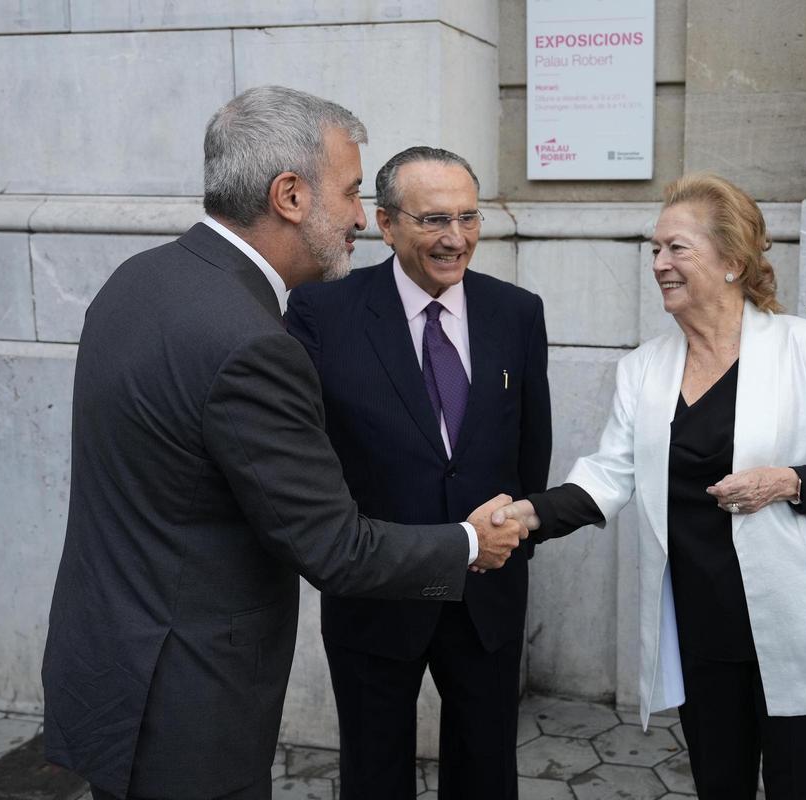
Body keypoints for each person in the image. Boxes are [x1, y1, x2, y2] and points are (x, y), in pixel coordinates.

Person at [40, 87, 527, 800]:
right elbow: (332, 547)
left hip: (110, 666)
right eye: (353, 192)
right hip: (189, 703)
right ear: (291, 195)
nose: (362, 217)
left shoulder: (139, 279)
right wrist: (466, 542)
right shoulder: (252, 343)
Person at [495, 173, 806, 799]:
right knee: (718, 786)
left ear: (732, 260)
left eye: (677, 248)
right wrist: (528, 516)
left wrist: (785, 481)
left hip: (797, 626)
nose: (659, 264)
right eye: (655, 249)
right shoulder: (644, 369)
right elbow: (607, 476)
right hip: (702, 629)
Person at [285, 146, 551, 800]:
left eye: (468, 217)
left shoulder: (517, 312)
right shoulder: (323, 313)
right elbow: (307, 452)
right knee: (374, 773)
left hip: (487, 593)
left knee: (486, 770)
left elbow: (530, 449)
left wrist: (516, 542)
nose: (455, 238)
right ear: (386, 223)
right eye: (433, 220)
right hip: (376, 594)